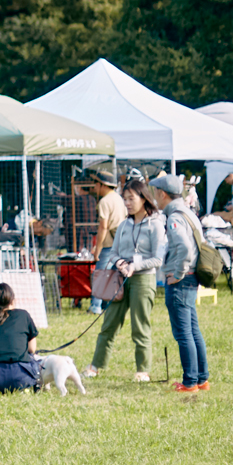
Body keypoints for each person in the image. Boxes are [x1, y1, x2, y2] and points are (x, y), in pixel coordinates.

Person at [87, 176, 165, 382]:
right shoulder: (123, 225)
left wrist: (135, 266)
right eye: (125, 199)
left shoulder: (155, 225)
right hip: (119, 278)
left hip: (143, 280)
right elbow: (112, 252)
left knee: (140, 327)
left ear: (143, 198)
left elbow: (158, 258)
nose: (127, 203)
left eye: (131, 199)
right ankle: (95, 366)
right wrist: (120, 262)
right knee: (109, 324)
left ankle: (143, 370)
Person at [152, 173, 210, 392]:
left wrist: (178, 272)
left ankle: (190, 382)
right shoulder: (188, 212)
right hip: (192, 277)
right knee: (193, 330)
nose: (155, 197)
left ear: (163, 194)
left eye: (156, 193)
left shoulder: (175, 216)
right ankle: (201, 379)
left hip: (181, 280)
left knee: (183, 333)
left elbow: (184, 248)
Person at [84, 163, 125, 314]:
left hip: (108, 244)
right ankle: (107, 305)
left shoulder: (104, 202)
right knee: (112, 275)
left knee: (100, 274)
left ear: (102, 185)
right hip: (119, 243)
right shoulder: (118, 198)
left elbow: (103, 227)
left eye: (96, 183)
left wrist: (97, 248)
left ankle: (95, 306)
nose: (94, 187)